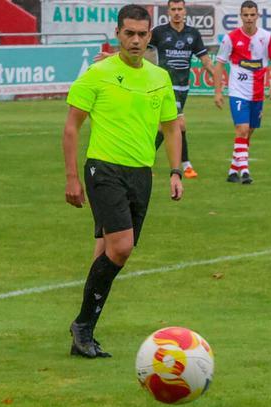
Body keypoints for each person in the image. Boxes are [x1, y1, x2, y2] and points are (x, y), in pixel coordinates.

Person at [63, 4, 184, 358]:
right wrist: (72, 178)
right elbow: (71, 127)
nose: (135, 40)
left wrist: (175, 171)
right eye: (128, 33)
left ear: (150, 36)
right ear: (117, 33)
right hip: (104, 170)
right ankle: (82, 325)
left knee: (107, 251)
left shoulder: (159, 78)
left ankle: (84, 332)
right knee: (122, 247)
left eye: (141, 34)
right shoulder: (98, 74)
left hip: (141, 174)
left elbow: (171, 127)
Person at [212, 0, 271, 184]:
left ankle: (233, 170)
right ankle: (245, 172)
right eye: (246, 15)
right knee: (241, 129)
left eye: (252, 15)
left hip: (257, 93)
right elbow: (219, 65)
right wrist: (218, 91)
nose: (249, 18)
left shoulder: (266, 37)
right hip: (238, 92)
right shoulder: (231, 38)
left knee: (248, 132)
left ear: (257, 16)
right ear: (241, 16)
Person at [150, 0, 214, 178]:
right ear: (168, 12)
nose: (177, 12)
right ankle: (185, 165)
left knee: (166, 127)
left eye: (180, 9)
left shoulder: (193, 34)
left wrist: (218, 77)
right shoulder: (159, 32)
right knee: (178, 123)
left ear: (185, 11)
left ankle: (146, 160)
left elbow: (205, 60)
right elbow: (139, 49)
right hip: (165, 86)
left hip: (183, 88)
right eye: (173, 9)